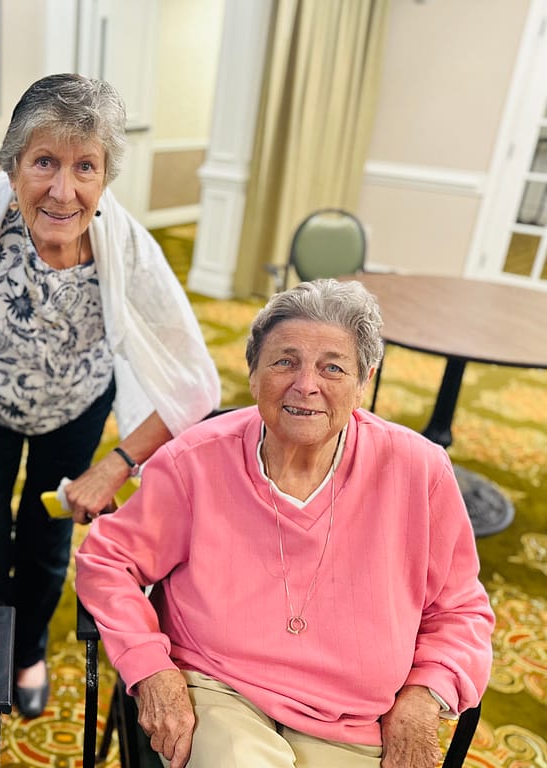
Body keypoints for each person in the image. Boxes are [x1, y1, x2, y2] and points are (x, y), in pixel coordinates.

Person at [0, 73, 221, 731]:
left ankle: (28, 654)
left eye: (84, 166)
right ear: (12, 166)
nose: (63, 190)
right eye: (44, 162)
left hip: (76, 409)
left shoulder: (127, 251)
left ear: (105, 177)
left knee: (45, 539)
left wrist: (115, 463)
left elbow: (194, 383)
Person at [75, 279, 494, 768]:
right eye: (284, 362)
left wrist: (424, 697)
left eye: (332, 367)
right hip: (219, 695)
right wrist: (152, 670)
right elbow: (106, 561)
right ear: (253, 375)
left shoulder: (420, 471)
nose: (305, 385)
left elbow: (461, 611)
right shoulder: (195, 461)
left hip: (357, 720)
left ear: (364, 383)